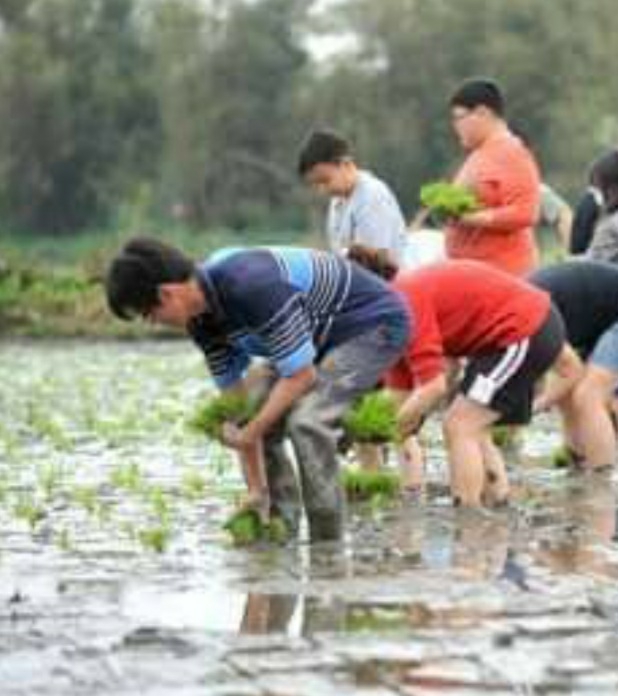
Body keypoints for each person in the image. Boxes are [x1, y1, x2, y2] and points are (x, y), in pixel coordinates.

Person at [105, 238, 411, 541]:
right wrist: (255, 488)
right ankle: (280, 529)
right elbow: (238, 408)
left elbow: (301, 376)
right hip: (315, 340)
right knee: (259, 414)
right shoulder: (201, 323)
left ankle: (326, 544)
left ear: (167, 293)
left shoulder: (250, 285)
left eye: (148, 315)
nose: (153, 323)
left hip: (371, 324)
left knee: (307, 422)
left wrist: (252, 430)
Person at [347, 247, 572, 507]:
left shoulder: (404, 300)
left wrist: (391, 428)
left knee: (459, 424)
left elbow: (434, 386)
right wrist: (369, 428)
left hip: (522, 328)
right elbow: (403, 393)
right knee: (474, 426)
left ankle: (467, 514)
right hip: (506, 337)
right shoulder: (392, 316)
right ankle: (497, 502)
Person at [530, 260, 618, 469]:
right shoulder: (517, 315)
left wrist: (539, 404)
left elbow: (568, 372)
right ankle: (577, 461)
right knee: (566, 396)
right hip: (594, 318)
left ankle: (600, 479)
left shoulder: (528, 312)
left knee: (588, 394)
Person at [445, 78, 541, 276]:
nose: (455, 126)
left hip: (503, 276)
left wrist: (469, 218)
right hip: (474, 274)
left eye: (459, 118)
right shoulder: (481, 153)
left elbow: (526, 212)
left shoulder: (510, 150)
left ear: (482, 113)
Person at [297, 129, 407, 265]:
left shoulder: (372, 197)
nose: (322, 190)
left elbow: (374, 267)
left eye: (325, 180)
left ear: (345, 164)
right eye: (316, 185)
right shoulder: (338, 200)